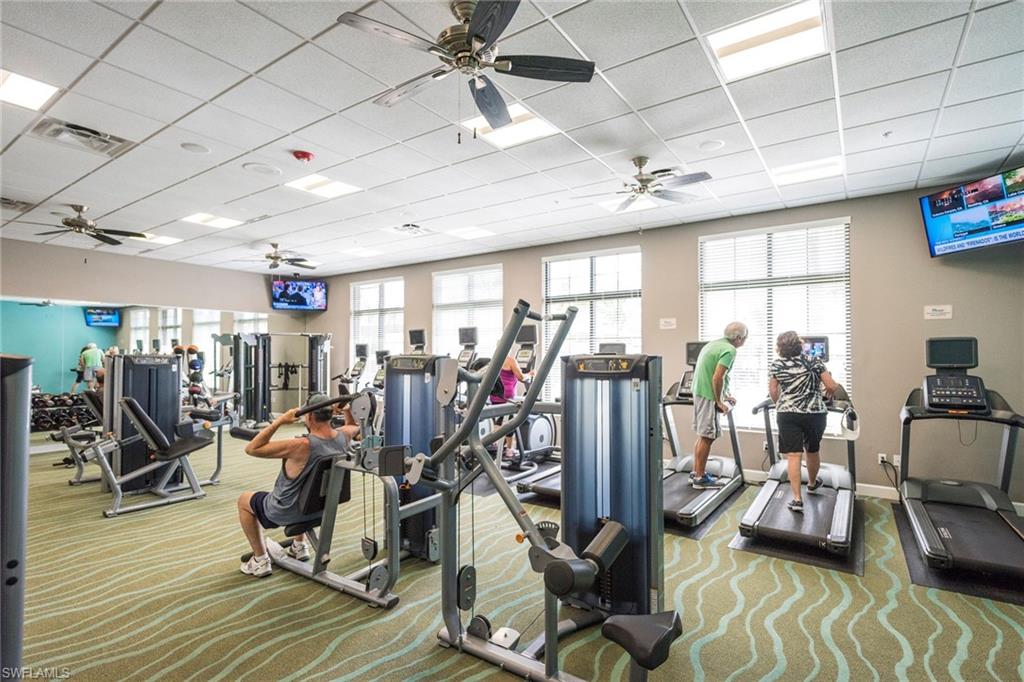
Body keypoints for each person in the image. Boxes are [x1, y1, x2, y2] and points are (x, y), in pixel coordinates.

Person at [236, 395, 360, 577]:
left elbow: (252, 448)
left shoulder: (301, 445)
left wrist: (279, 421)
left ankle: (260, 560)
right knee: (306, 488)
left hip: (286, 511)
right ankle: (299, 546)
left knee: (244, 500)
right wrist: (347, 410)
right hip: (323, 508)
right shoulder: (344, 437)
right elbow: (354, 426)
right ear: (331, 414)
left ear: (309, 416)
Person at [768, 331, 840, 513]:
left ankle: (797, 499)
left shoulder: (777, 364)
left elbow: (773, 391)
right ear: (800, 345)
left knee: (793, 455)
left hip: (787, 414)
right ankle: (813, 483)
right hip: (814, 413)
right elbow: (831, 385)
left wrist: (781, 404)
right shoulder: (814, 361)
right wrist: (828, 391)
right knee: (812, 450)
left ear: (780, 348)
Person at [690, 321, 748, 489]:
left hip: (699, 392)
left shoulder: (713, 345)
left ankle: (696, 472)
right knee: (708, 436)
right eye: (745, 337)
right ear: (739, 338)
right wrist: (719, 401)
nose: (745, 340)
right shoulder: (730, 350)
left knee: (703, 435)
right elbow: (717, 377)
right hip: (708, 395)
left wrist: (726, 394)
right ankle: (700, 477)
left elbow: (715, 374)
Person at [489, 353, 532, 458]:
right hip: (507, 397)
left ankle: (497, 444)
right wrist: (531, 374)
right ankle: (509, 449)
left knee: (500, 420)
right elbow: (521, 377)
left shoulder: (494, 360)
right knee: (510, 423)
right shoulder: (511, 361)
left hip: (495, 395)